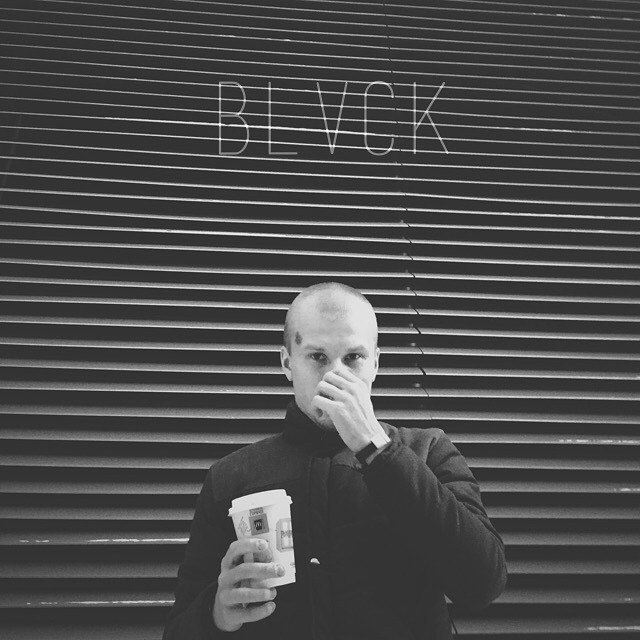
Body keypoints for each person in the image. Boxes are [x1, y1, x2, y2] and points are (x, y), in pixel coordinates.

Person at [163, 282, 507, 640]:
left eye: (354, 357)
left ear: (375, 364)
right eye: (317, 357)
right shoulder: (230, 477)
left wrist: (379, 450)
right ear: (287, 363)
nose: (335, 376)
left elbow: (483, 583)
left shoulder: (428, 450)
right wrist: (216, 613)